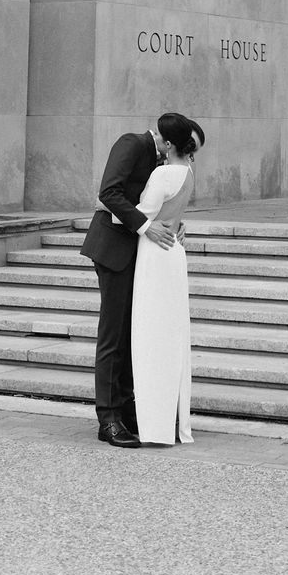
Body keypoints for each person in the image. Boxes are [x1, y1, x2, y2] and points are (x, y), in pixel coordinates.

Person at [79, 113, 200, 448]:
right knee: (113, 336)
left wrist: (171, 223)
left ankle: (130, 411)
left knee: (134, 335)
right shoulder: (131, 143)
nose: (188, 156)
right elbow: (109, 193)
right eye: (187, 148)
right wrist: (147, 226)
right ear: (170, 142)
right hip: (113, 250)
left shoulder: (163, 162)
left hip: (141, 255)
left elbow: (153, 204)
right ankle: (108, 419)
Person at [131, 115, 204, 445]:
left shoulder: (162, 173)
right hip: (174, 251)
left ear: (170, 144)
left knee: (150, 338)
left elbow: (142, 214)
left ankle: (154, 425)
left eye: (161, 136)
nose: (157, 140)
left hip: (154, 253)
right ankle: (173, 422)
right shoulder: (188, 172)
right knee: (172, 336)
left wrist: (108, 205)